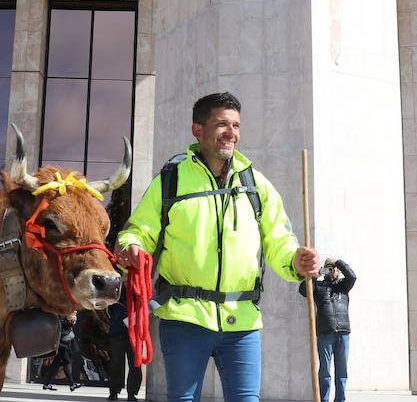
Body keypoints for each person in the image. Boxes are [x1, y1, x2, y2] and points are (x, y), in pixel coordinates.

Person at [116, 91, 321, 402]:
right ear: (198, 130)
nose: (231, 133)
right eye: (222, 124)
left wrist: (296, 261)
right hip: (184, 318)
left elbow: (279, 240)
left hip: (243, 321)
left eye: (236, 125)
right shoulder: (170, 180)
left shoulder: (256, 184)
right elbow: (139, 231)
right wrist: (130, 246)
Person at [299, 257, 356, 402]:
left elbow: (352, 276)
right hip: (325, 333)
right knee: (325, 370)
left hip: (343, 332)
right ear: (324, 270)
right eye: (329, 268)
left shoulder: (343, 285)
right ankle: (323, 399)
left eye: (334, 268)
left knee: (341, 370)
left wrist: (339, 262)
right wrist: (314, 274)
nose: (332, 271)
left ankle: (340, 399)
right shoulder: (318, 286)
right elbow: (303, 290)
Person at [106, 300, 142, 401]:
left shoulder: (138, 291)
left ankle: (132, 392)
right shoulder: (117, 293)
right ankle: (114, 391)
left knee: (135, 364)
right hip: (117, 332)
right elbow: (109, 310)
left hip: (134, 333)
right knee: (116, 364)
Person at [41, 312, 84, 391]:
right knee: (66, 362)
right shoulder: (59, 316)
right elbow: (61, 328)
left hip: (62, 342)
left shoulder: (61, 315)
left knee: (56, 364)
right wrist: (71, 322)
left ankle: (46, 384)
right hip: (61, 343)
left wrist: (72, 322)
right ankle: (72, 384)